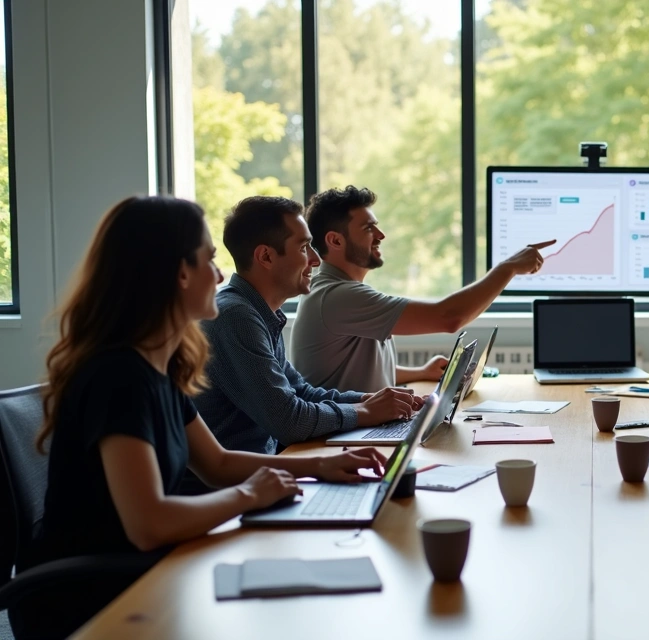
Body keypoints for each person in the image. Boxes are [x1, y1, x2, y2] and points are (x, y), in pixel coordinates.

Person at [13, 196, 387, 639]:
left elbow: (217, 463)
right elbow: (149, 523)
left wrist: (318, 465)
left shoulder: (158, 366)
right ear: (178, 272)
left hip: (150, 569)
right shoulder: (117, 377)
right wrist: (249, 495)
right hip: (95, 598)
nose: (221, 273)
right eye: (208, 259)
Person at [193, 196, 422, 458]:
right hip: (232, 489)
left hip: (263, 475)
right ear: (266, 256)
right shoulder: (236, 317)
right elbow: (289, 421)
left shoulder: (257, 310)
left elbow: (302, 392)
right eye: (303, 248)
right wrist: (367, 412)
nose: (315, 259)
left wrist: (370, 401)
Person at [291, 185, 553, 392]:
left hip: (357, 432)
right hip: (338, 442)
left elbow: (357, 373)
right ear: (335, 240)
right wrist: (507, 268)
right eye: (369, 228)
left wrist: (421, 373)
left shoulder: (338, 291)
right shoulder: (338, 297)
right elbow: (449, 317)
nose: (381, 235)